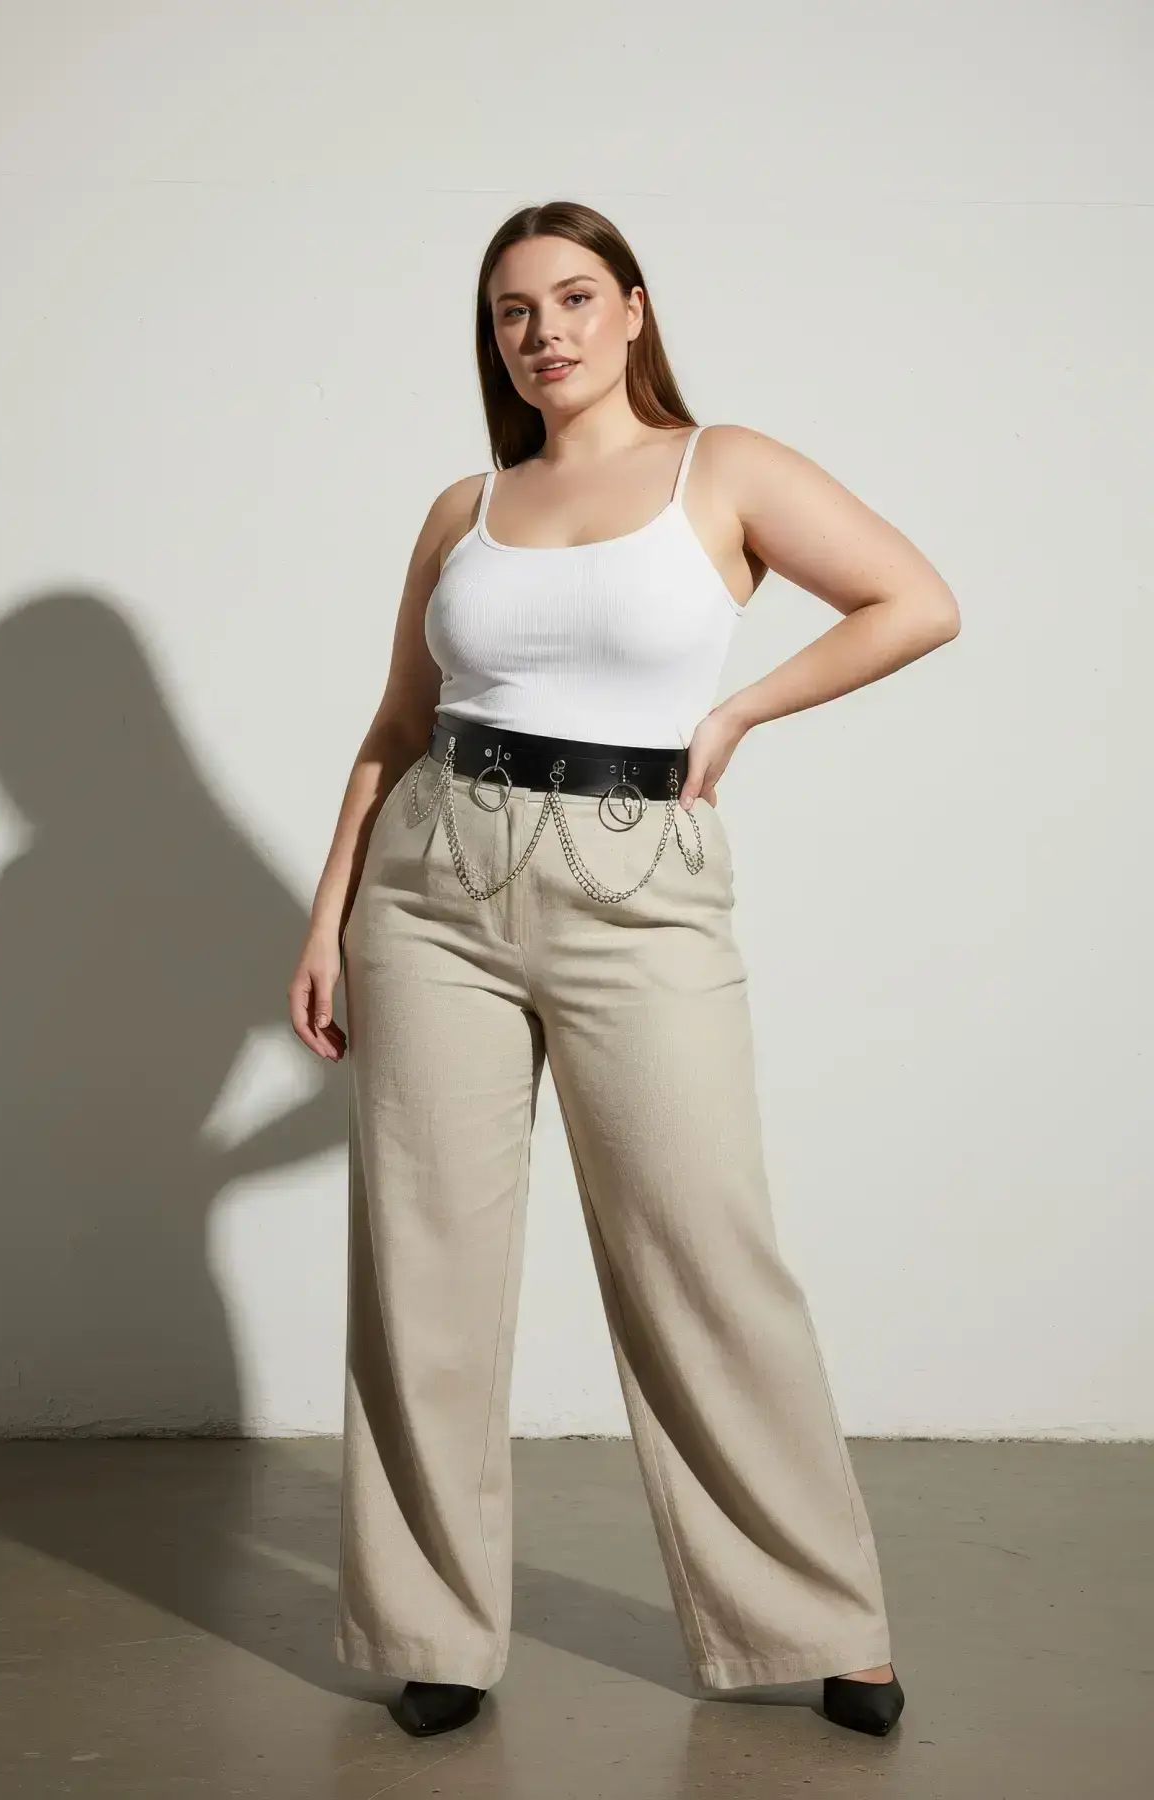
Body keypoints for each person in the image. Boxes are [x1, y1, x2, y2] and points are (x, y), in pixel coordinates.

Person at [289, 200, 960, 1744]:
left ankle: (821, 1619)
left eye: (576, 297)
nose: (547, 332)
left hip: (636, 878)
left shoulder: (722, 467)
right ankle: (431, 1629)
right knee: (424, 1270)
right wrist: (325, 921)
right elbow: (395, 725)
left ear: (636, 308)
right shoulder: (464, 506)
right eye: (515, 311)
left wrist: (737, 715)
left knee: (705, 1250)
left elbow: (915, 601)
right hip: (432, 882)